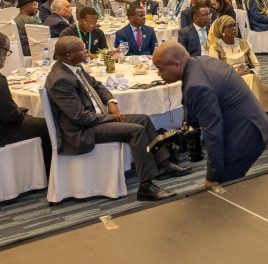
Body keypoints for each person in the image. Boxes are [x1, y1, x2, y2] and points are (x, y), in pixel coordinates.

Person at [46, 37, 190, 201]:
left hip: (95, 119)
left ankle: (163, 165)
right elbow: (80, 117)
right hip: (81, 131)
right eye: (83, 49)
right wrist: (109, 117)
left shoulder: (74, 67)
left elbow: (98, 85)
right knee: (136, 131)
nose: (87, 52)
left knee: (143, 119)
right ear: (69, 54)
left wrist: (111, 102)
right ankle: (145, 186)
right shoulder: (60, 79)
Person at [154, 41, 268, 187]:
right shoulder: (200, 62)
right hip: (251, 122)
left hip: (246, 134)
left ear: (177, 64)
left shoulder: (197, 85)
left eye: (160, 69)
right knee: (231, 186)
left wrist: (212, 176)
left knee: (223, 186)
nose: (159, 74)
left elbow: (212, 133)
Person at [207, 16, 268, 127]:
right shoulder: (215, 47)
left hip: (248, 77)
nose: (234, 28)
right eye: (230, 26)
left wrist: (251, 72)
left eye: (235, 25)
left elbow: (256, 65)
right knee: (251, 80)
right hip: (229, 81)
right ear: (222, 30)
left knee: (250, 78)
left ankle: (267, 119)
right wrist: (236, 74)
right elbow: (214, 72)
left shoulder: (243, 43)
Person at [0, 31, 52, 175]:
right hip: (5, 130)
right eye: (7, 52)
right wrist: (20, 111)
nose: (5, 57)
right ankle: (49, 173)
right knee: (50, 126)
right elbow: (10, 116)